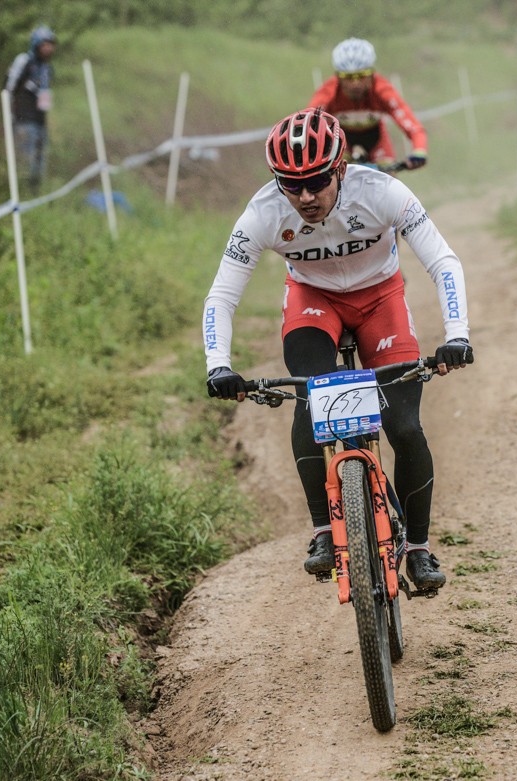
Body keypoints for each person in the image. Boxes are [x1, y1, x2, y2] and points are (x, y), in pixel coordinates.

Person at [202, 108, 471, 592]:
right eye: (290, 183)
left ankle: (418, 548)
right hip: (313, 304)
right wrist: (218, 364)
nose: (304, 196)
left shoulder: (382, 192)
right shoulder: (263, 212)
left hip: (380, 299)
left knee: (404, 427)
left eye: (317, 181)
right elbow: (222, 295)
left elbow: (444, 262)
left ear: (341, 167)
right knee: (311, 400)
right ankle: (325, 532)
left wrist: (457, 334)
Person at [308, 37, 428, 170]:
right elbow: (309, 126)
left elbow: (411, 125)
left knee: (387, 178)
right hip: (343, 140)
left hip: (377, 140)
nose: (355, 84)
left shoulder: (382, 90)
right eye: (347, 77)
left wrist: (419, 151)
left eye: (362, 75)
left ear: (372, 74)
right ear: (338, 77)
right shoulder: (328, 92)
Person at [4, 25, 57, 193]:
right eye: (44, 44)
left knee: (39, 164)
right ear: (36, 44)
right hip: (23, 120)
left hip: (40, 120)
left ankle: (34, 195)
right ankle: (21, 194)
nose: (48, 48)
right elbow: (7, 88)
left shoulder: (47, 69)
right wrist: (10, 114)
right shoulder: (24, 61)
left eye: (51, 44)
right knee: (26, 162)